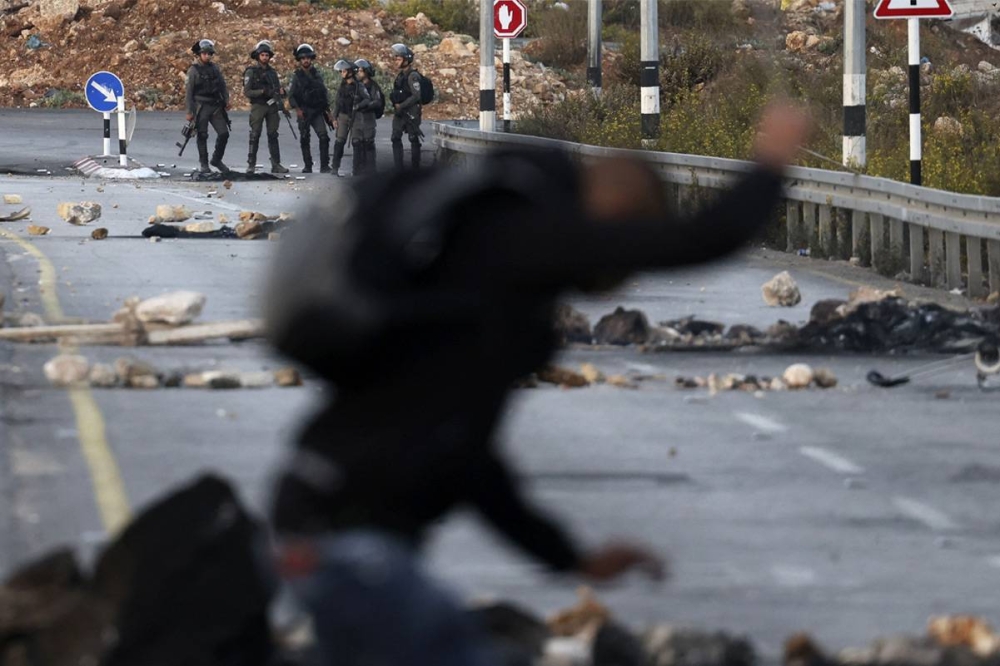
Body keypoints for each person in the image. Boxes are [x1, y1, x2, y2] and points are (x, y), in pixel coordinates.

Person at [266, 103, 811, 666]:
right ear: (614, 212)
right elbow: (698, 239)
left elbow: (471, 463)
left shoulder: (486, 302)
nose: (625, 270)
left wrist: (570, 559)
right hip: (348, 542)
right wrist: (771, 160)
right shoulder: (522, 234)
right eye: (629, 238)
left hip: (334, 523)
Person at [184, 39, 230, 174]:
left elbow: (222, 86)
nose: (207, 56)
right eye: (205, 54)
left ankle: (217, 160)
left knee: (224, 133)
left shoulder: (215, 69)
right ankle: (204, 164)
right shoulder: (193, 70)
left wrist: (226, 100)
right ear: (199, 54)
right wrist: (189, 111)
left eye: (210, 54)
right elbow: (189, 92)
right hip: (201, 107)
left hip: (215, 106)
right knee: (202, 135)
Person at [243, 39, 289, 174]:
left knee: (273, 135)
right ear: (258, 56)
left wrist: (281, 93)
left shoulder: (272, 72)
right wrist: (262, 92)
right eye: (262, 55)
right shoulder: (251, 72)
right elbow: (247, 92)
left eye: (267, 55)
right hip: (258, 105)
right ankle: (251, 164)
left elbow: (277, 90)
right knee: (255, 134)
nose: (265, 57)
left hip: (272, 106)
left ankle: (276, 164)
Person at [288, 44, 332, 174]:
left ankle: (324, 165)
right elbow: (291, 96)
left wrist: (328, 112)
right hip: (304, 111)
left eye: (308, 58)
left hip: (317, 111)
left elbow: (323, 94)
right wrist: (298, 110)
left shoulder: (317, 75)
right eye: (303, 58)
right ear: (300, 60)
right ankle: (308, 165)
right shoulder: (297, 77)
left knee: (324, 137)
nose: (306, 60)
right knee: (304, 138)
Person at [330, 59, 369, 177]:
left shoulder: (359, 86)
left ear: (350, 72)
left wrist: (358, 105)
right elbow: (337, 103)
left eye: (344, 71)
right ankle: (335, 167)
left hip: (356, 116)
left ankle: (356, 170)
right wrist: (334, 118)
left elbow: (367, 99)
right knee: (339, 141)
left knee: (356, 142)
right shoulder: (342, 86)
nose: (342, 73)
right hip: (343, 115)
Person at [388, 43, 423, 170]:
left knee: (413, 138)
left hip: (411, 112)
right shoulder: (400, 76)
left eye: (399, 59)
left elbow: (416, 95)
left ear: (406, 60)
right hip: (400, 112)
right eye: (396, 59)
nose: (396, 62)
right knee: (395, 137)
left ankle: (415, 168)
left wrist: (402, 105)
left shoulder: (412, 76)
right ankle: (398, 168)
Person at [353, 58, 384, 175]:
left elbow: (378, 102)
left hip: (368, 118)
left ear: (366, 72)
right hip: (357, 120)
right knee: (357, 144)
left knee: (368, 144)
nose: (358, 73)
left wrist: (365, 106)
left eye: (360, 71)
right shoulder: (355, 86)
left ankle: (370, 172)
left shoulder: (373, 86)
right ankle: (357, 171)